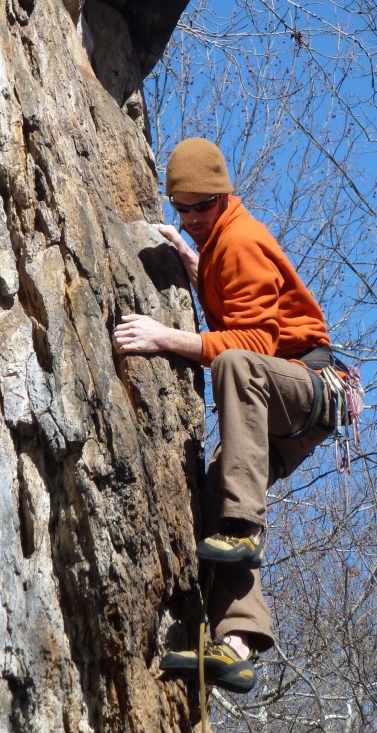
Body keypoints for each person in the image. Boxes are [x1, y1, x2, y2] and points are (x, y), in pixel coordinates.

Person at [112, 137, 342, 693]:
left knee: (237, 366)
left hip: (307, 387)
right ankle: (238, 644)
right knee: (212, 496)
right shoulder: (217, 244)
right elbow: (241, 307)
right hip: (283, 413)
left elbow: (258, 344)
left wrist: (166, 337)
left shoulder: (237, 240)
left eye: (202, 206)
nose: (191, 218)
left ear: (223, 196)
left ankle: (244, 526)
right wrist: (198, 269)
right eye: (181, 207)